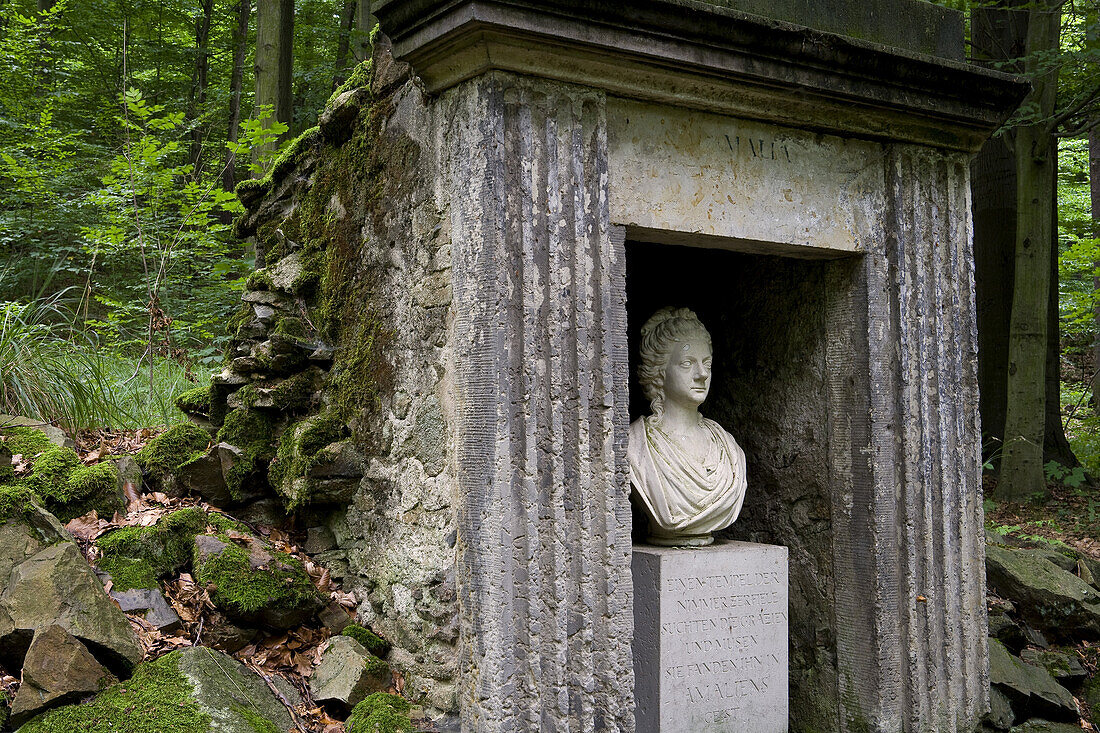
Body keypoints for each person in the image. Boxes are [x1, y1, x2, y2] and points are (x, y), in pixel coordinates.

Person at [628, 307, 747, 546]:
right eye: (687, 363)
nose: (702, 374)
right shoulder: (634, 445)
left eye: (707, 364)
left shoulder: (729, 449)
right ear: (659, 373)